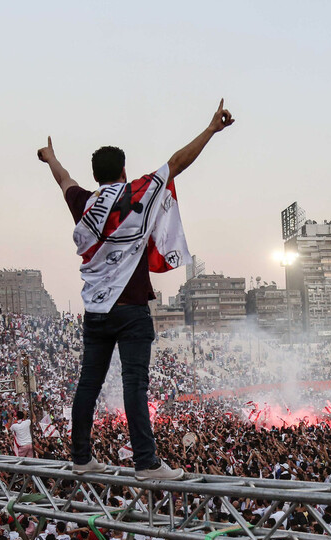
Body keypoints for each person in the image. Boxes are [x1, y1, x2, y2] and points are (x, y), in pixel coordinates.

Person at [37, 99, 235, 480]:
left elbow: (64, 179)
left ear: (95, 176)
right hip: (130, 310)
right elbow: (178, 163)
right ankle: (146, 463)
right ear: (124, 171)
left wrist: (50, 157)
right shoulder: (138, 193)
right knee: (135, 386)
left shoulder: (84, 203)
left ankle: (81, 457)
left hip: (95, 312)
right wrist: (211, 129)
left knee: (88, 384)